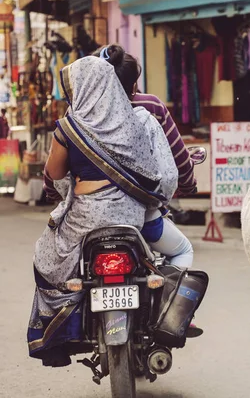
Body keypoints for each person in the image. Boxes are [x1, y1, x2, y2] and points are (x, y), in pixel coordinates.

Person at [27, 55, 179, 366]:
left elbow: (54, 174)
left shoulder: (70, 128)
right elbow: (158, 172)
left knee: (45, 260)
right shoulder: (137, 121)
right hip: (132, 216)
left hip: (87, 220)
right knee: (172, 253)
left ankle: (61, 332)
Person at [43, 44, 197, 269]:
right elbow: (169, 174)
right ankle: (167, 301)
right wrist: (162, 197)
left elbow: (55, 175)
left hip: (83, 219)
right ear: (133, 85)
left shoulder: (73, 120)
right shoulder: (146, 115)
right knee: (183, 250)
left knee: (55, 268)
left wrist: (60, 195)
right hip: (140, 216)